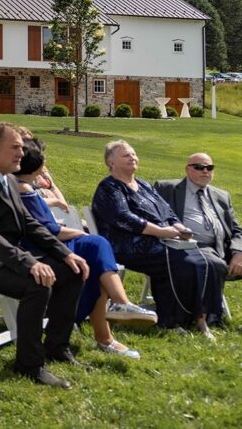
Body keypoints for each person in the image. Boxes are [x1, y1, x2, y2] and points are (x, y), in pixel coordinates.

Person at [0, 122, 89, 389]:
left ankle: (57, 346)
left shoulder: (8, 180)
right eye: (15, 148)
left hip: (3, 259)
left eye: (21, 148)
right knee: (37, 285)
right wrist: (30, 263)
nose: (21, 154)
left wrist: (63, 253)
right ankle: (29, 364)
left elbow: (30, 225)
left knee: (73, 271)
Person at [15, 141, 156, 359]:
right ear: (36, 164)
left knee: (96, 255)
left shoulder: (28, 186)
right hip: (41, 247)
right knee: (95, 246)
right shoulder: (22, 189)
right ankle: (113, 318)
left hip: (50, 241)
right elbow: (48, 230)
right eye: (43, 158)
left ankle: (116, 315)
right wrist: (80, 233)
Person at [92, 140, 223, 335]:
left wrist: (179, 226)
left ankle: (203, 316)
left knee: (206, 261)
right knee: (181, 261)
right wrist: (162, 232)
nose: (133, 158)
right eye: (126, 155)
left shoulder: (142, 184)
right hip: (126, 245)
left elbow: (167, 210)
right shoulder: (109, 187)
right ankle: (172, 320)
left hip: (159, 240)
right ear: (111, 163)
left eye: (134, 154)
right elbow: (125, 219)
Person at [155, 153, 242, 280]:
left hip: (221, 250)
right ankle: (212, 299)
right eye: (199, 167)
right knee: (213, 265)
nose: (205, 171)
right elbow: (154, 217)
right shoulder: (166, 188)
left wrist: (239, 253)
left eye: (209, 168)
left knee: (215, 264)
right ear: (187, 169)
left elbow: (236, 230)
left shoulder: (222, 196)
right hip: (186, 248)